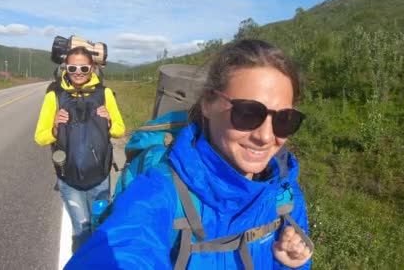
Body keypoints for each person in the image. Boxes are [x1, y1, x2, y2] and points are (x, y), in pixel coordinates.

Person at [66, 39, 312, 269]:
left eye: (284, 119)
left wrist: (290, 264)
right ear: (208, 103)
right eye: (248, 113)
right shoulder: (162, 190)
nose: (266, 137)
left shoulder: (284, 190)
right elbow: (125, 246)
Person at [34, 46, 125, 253]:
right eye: (72, 68)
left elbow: (120, 130)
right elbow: (40, 136)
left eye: (83, 68)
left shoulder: (105, 94)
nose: (78, 73)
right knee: (82, 232)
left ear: (92, 68)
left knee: (100, 229)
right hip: (69, 179)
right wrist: (55, 127)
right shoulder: (54, 95)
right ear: (65, 67)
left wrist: (109, 121)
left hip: (100, 177)